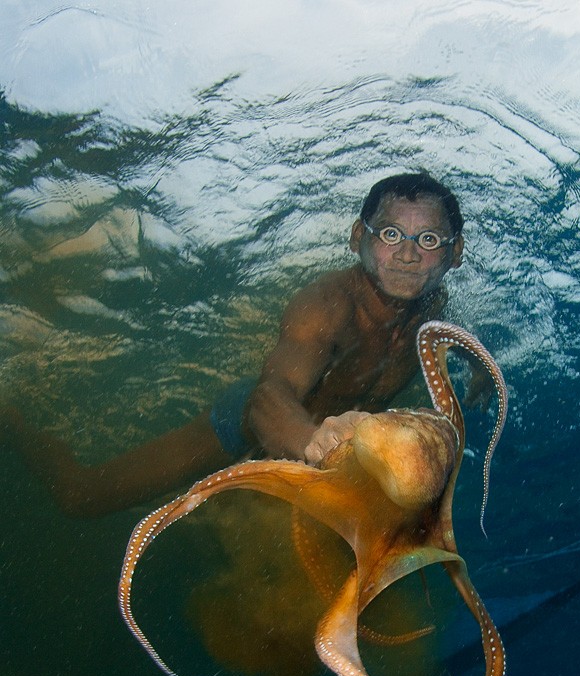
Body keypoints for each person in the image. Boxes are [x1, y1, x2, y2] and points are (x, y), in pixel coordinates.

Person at [2, 171, 466, 518]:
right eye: (390, 234)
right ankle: (13, 417)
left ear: (454, 253)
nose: (408, 254)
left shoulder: (433, 308)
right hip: (256, 425)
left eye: (427, 239)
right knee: (81, 497)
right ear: (356, 237)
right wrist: (311, 440)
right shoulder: (328, 304)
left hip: (324, 458)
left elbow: (453, 349)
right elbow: (272, 395)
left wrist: (479, 377)